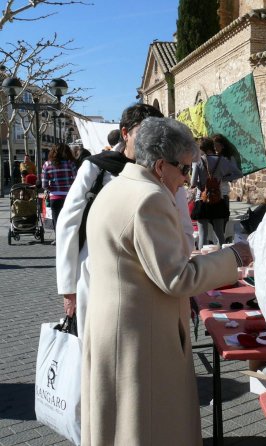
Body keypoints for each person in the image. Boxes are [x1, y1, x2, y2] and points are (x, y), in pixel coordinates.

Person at [81, 117, 252, 446]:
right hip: (141, 336)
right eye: (184, 169)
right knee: (143, 427)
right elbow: (176, 278)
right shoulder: (150, 198)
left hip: (115, 327)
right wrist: (236, 256)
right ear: (161, 166)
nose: (187, 179)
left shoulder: (117, 186)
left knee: (119, 426)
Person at [56, 103, 195, 339]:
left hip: (152, 276)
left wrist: (180, 267)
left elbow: (182, 225)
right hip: (98, 272)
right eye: (144, 132)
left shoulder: (167, 170)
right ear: (125, 133)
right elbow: (69, 224)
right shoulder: (97, 167)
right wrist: (68, 288)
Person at [191, 136, 242, 248]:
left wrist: (203, 187)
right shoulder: (223, 160)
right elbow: (238, 173)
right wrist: (222, 179)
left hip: (202, 200)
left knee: (203, 235)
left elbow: (192, 183)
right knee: (220, 234)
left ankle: (202, 260)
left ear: (202, 148)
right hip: (217, 199)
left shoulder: (198, 161)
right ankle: (222, 258)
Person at [40, 143, 77, 231]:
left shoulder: (47, 165)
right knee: (69, 222)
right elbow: (77, 180)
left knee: (57, 222)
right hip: (69, 197)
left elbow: (44, 185)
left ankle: (58, 241)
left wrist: (53, 189)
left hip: (55, 198)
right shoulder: (71, 164)